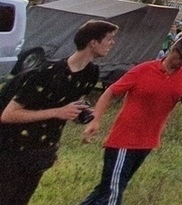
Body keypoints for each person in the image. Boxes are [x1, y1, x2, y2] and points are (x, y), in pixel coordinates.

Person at [0, 19, 118, 205]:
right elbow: (8, 115)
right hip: (14, 148)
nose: (112, 43)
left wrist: (81, 113)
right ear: (93, 42)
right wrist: (58, 112)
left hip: (43, 150)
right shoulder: (47, 72)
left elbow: (72, 105)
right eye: (109, 38)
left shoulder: (91, 73)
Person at [78, 35, 182, 205]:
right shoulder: (144, 70)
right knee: (113, 194)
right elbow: (110, 92)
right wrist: (95, 120)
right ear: (173, 49)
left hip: (148, 141)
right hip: (124, 141)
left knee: (108, 188)